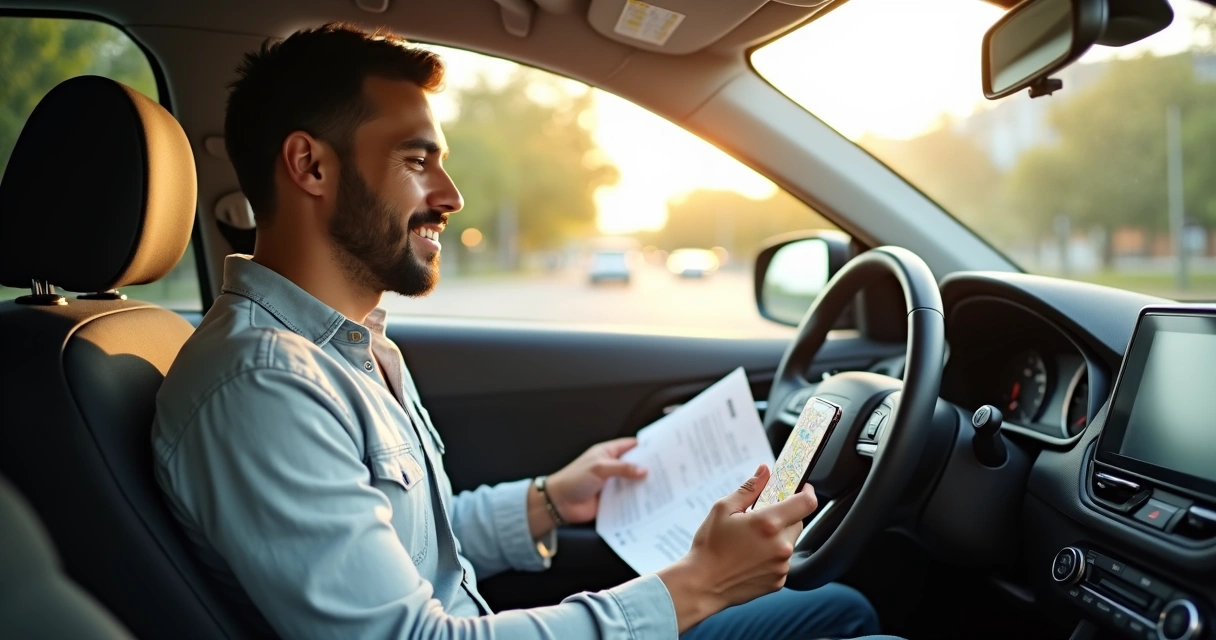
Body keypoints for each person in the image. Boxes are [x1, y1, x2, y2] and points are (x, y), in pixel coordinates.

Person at [152, 23, 892, 640]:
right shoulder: (264, 384)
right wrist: (695, 586)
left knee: (839, 611)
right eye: (417, 160)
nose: (451, 196)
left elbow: (409, 548)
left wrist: (546, 500)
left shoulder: (344, 346)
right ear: (310, 166)